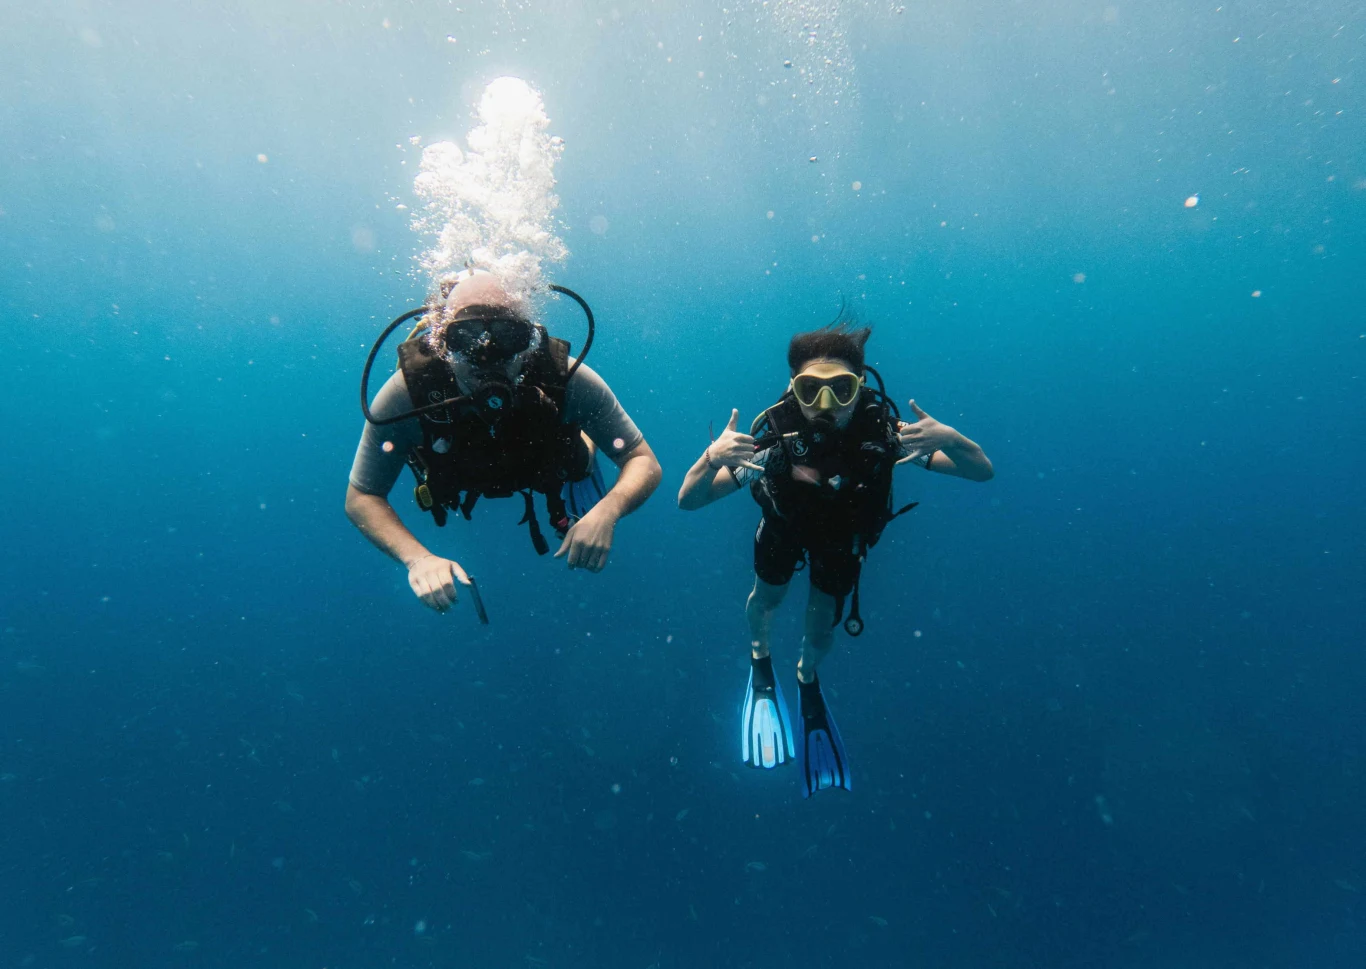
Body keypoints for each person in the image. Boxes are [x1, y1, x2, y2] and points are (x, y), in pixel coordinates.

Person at [677, 320, 993, 797]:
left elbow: (980, 471)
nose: (825, 405)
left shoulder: (888, 436)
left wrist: (950, 437)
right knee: (766, 598)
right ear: (793, 390)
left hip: (843, 544)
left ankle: (806, 677)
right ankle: (760, 660)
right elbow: (689, 499)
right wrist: (711, 458)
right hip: (783, 531)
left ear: (860, 387)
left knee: (821, 623)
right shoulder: (772, 443)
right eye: (810, 390)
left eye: (841, 390)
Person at [347, 270, 661, 615]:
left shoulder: (565, 378)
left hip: (549, 464)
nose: (487, 353)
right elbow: (362, 496)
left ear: (528, 338)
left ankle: (587, 440)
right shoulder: (409, 392)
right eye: (466, 336)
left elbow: (642, 459)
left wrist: (608, 511)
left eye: (507, 334)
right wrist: (417, 559)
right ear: (441, 341)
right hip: (456, 471)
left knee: (577, 464)